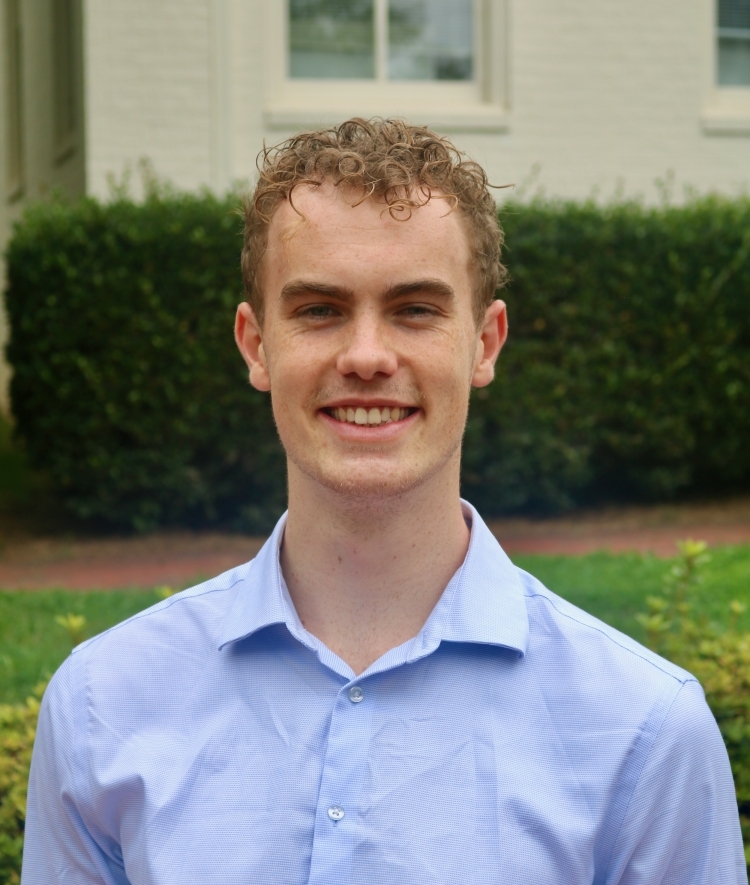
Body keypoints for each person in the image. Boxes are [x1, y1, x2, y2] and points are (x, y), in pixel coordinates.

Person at [22, 118, 745, 885]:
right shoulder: (101, 705)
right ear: (256, 344)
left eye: (415, 309)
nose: (367, 356)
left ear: (485, 343)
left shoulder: (644, 731)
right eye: (319, 310)